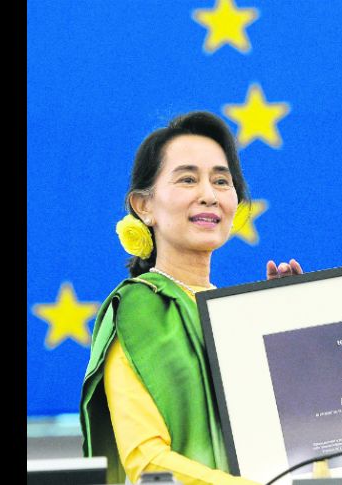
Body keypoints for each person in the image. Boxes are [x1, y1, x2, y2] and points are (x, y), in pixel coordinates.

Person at [80, 111, 301, 484]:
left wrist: (294, 336)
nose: (208, 195)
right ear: (143, 205)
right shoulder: (139, 310)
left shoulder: (243, 314)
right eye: (187, 179)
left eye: (221, 181)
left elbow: (308, 441)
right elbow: (147, 462)